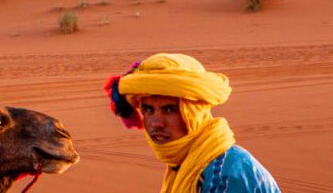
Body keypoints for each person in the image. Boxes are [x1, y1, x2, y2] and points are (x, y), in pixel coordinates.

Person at [104, 52, 280, 192]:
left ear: (194, 112)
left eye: (170, 110)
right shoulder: (188, 163)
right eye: (148, 110)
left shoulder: (225, 175)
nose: (156, 123)